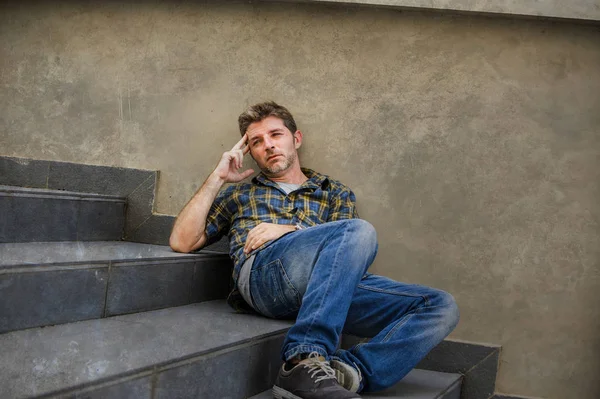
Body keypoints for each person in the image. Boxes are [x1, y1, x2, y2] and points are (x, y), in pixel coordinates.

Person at [169, 101, 459, 399]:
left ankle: (348, 374)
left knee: (440, 305)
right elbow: (182, 241)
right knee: (359, 229)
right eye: (257, 142)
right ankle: (302, 358)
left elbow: (350, 251)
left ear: (296, 139)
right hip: (265, 276)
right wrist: (217, 177)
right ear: (251, 153)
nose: (268, 146)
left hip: (327, 288)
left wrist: (291, 229)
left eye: (275, 135)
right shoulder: (242, 193)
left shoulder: (334, 191)